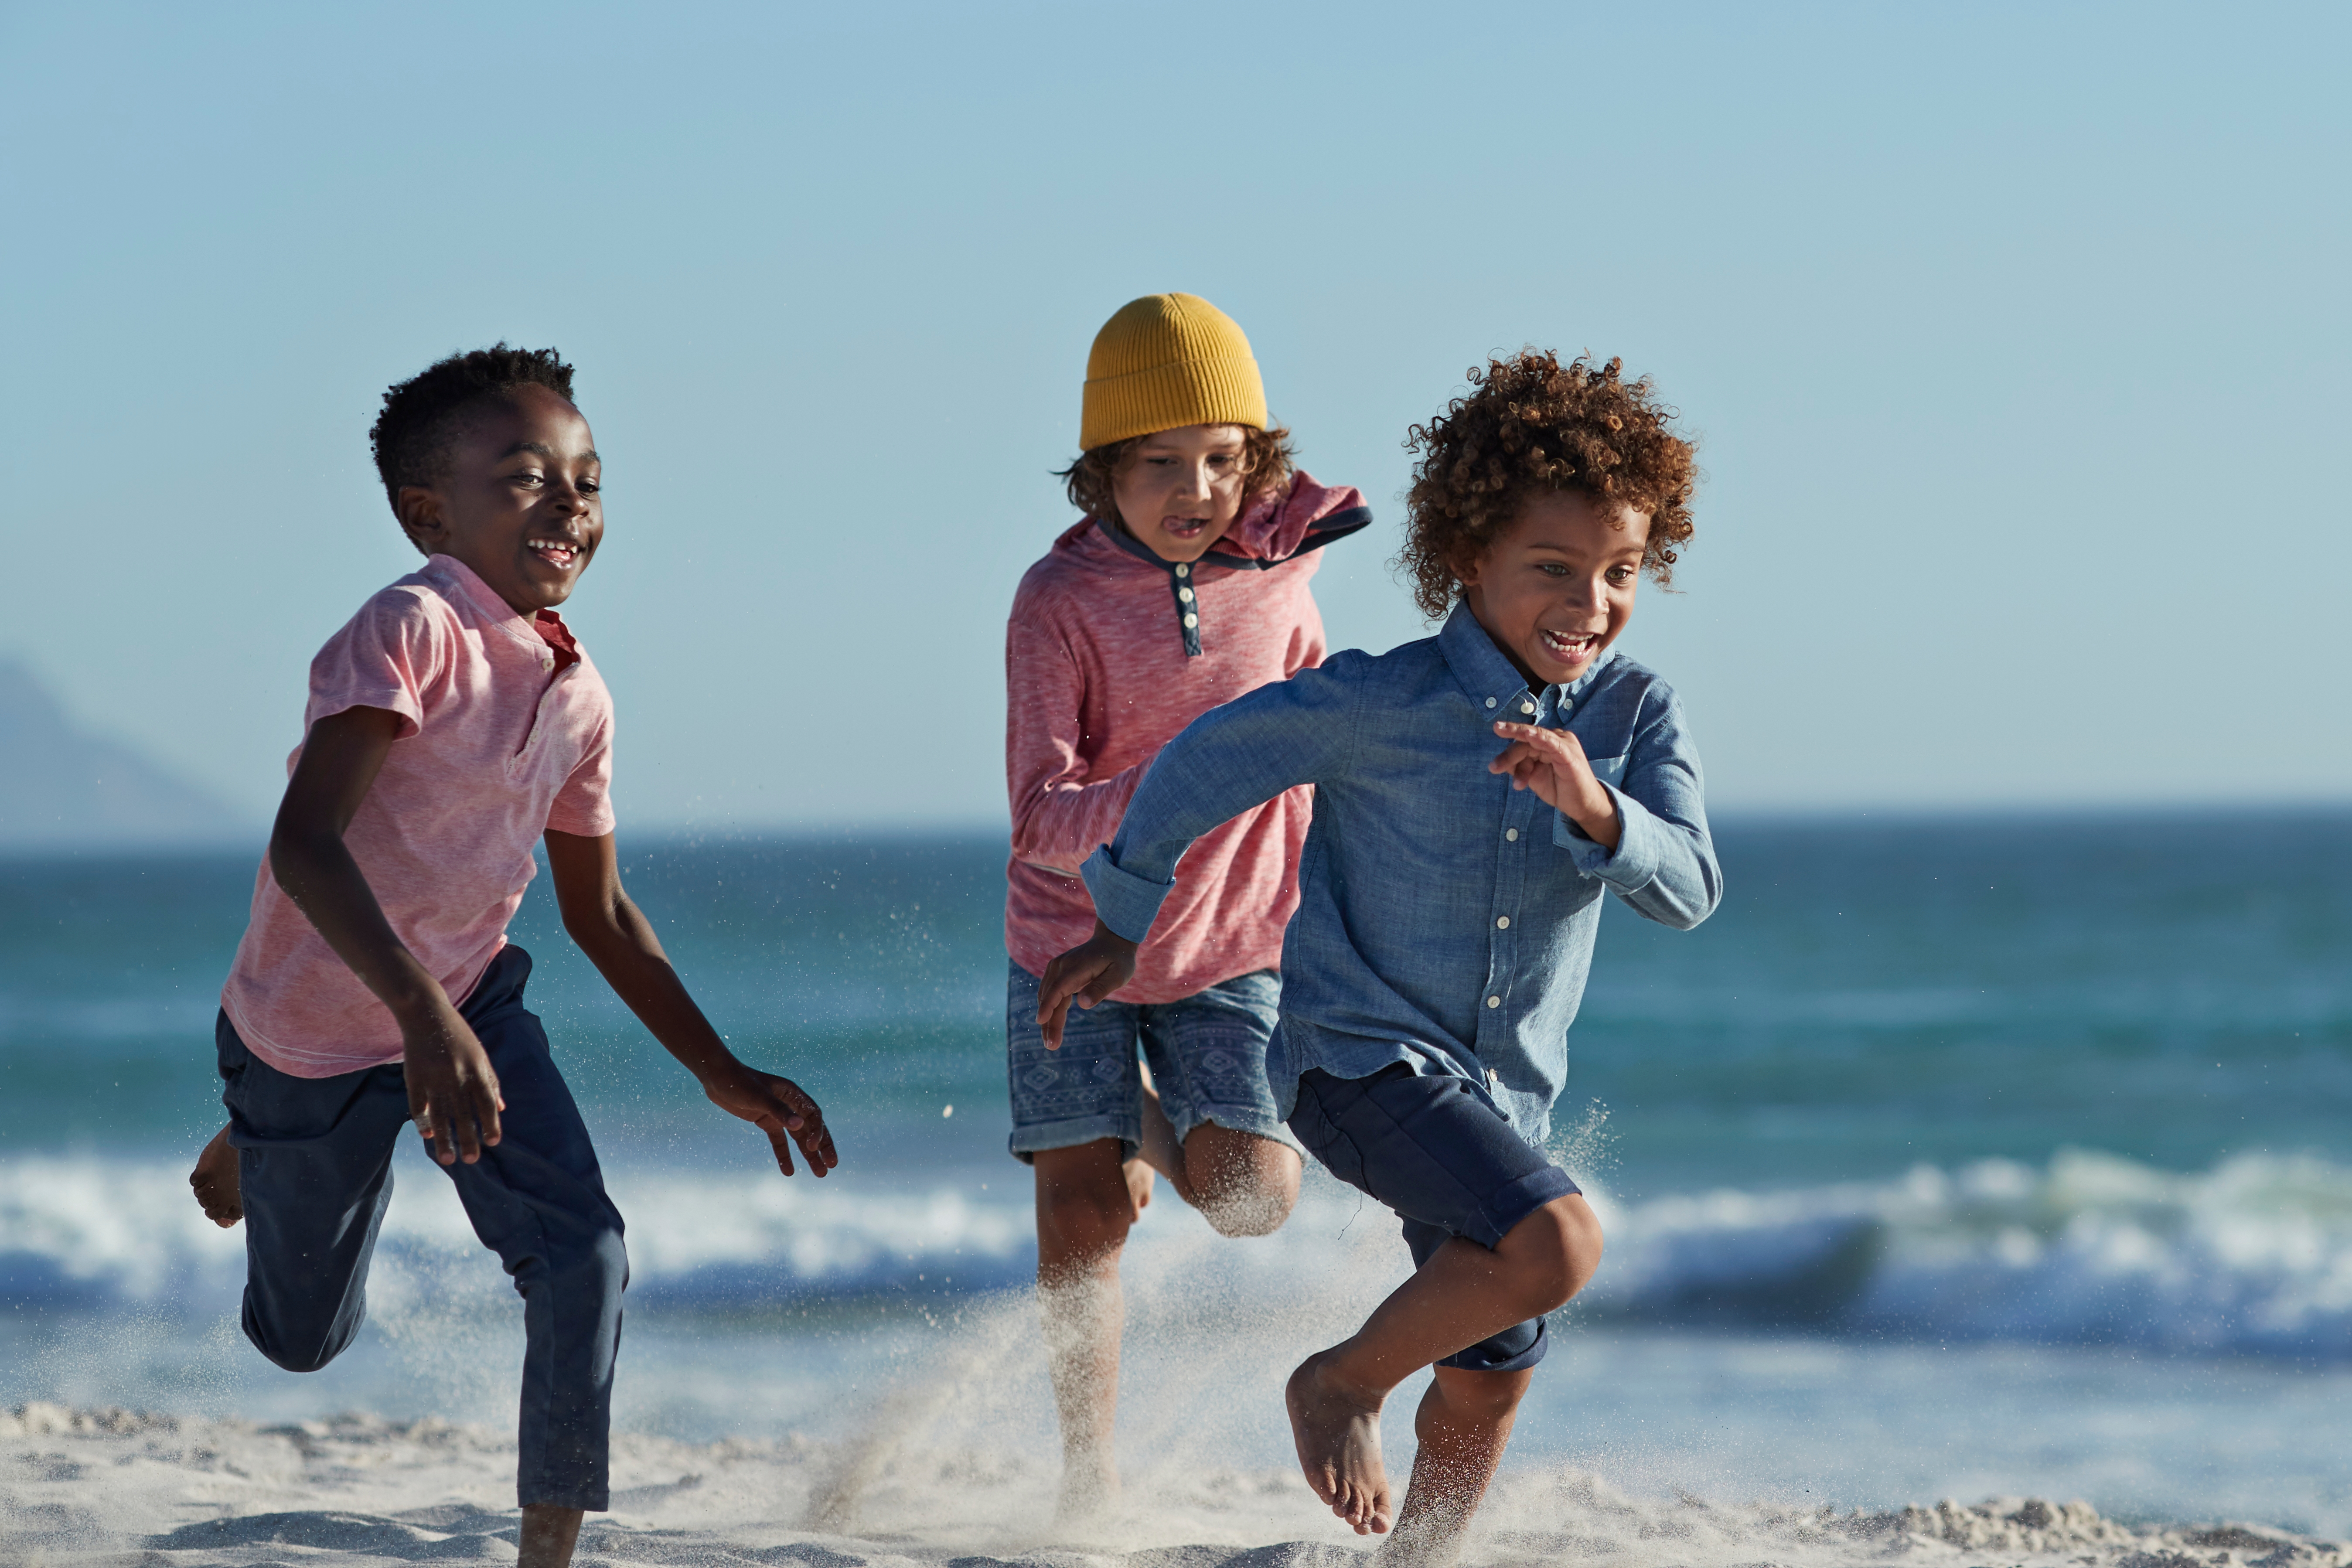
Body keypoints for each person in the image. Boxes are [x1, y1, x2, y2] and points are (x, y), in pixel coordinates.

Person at [1037, 349, 1720, 1558]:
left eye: (1618, 572)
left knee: (1494, 1367)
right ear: (1469, 559)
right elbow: (1206, 761)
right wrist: (1123, 918)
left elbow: (1688, 890)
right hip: (1355, 1066)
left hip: (1496, 1095)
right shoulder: (1379, 701)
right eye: (1552, 569)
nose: (1589, 603)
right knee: (1555, 1243)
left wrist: (1596, 810)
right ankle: (1338, 1384)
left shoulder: (1634, 716)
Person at [184, 345, 836, 1568]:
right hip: (313, 1030)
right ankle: (260, 1133)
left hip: (472, 999)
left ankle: (548, 1550)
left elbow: (601, 913)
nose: (574, 504)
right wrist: (421, 1020)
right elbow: (306, 843)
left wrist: (717, 1065)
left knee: (584, 1252)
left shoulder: (578, 692)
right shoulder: (409, 626)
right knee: (301, 1343)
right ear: (430, 512)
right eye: (530, 478)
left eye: (589, 479)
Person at [1005, 293, 1371, 1519]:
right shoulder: (1054, 604)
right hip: (1069, 941)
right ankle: (1084, 1476)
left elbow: (1326, 744)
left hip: (1231, 945)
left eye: (1222, 459)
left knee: (1252, 1198)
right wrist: (1176, 793)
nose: (1194, 489)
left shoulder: (1282, 584)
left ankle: (1148, 1125)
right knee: (1084, 1218)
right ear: (1098, 471)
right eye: (1157, 464)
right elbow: (1041, 810)